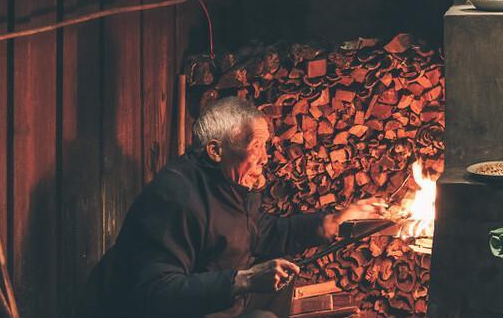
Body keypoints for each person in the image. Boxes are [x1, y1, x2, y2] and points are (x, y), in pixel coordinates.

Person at [90, 96, 386, 318]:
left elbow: (262, 232)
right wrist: (242, 280)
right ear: (216, 150)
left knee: (282, 287)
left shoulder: (234, 185)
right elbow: (156, 292)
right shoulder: (176, 198)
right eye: (255, 146)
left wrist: (332, 222)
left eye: (265, 146)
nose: (265, 157)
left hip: (216, 299)